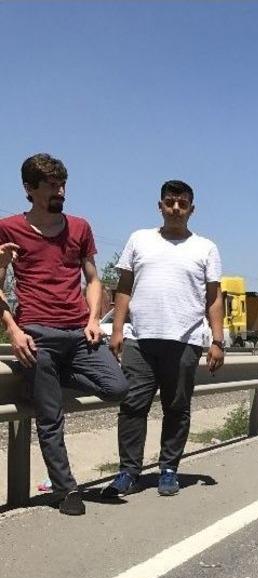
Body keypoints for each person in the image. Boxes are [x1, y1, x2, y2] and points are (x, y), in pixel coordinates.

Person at [0, 154, 129, 515]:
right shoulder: (8, 228)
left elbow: (93, 278)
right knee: (50, 414)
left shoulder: (80, 227)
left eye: (62, 184)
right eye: (51, 186)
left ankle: (41, 381)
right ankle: (65, 489)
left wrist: (93, 318)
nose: (60, 191)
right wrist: (12, 329)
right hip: (37, 333)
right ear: (29, 188)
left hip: (79, 331)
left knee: (117, 387)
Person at [103, 180, 225, 498]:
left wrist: (217, 340)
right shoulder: (139, 239)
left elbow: (214, 297)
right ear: (160, 206)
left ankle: (169, 469)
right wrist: (117, 330)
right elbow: (124, 287)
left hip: (185, 340)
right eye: (169, 202)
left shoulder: (206, 248)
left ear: (192, 209)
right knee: (132, 406)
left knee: (176, 407)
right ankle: (128, 471)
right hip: (140, 339)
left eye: (182, 204)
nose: (175, 208)